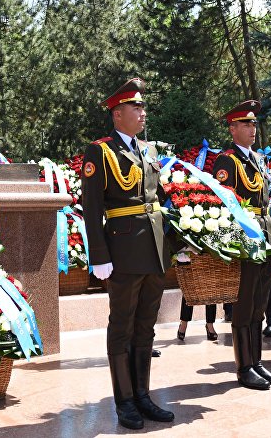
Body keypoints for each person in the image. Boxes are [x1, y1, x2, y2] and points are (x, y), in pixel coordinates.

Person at [82, 78, 173, 430]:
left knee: (146, 325)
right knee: (122, 325)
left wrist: (176, 242)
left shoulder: (149, 151)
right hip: (121, 250)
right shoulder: (100, 151)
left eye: (142, 107)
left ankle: (144, 396)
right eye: (135, 107)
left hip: (153, 249)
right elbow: (91, 207)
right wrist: (99, 255)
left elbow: (161, 200)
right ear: (117, 114)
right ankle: (125, 401)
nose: (142, 112)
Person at [211, 100, 271, 390]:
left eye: (254, 124)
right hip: (244, 240)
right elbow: (224, 204)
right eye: (246, 124)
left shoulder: (257, 159)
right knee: (243, 307)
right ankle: (244, 367)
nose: (253, 129)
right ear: (233, 128)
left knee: (258, 305)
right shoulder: (227, 161)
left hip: (264, 236)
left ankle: (257, 362)